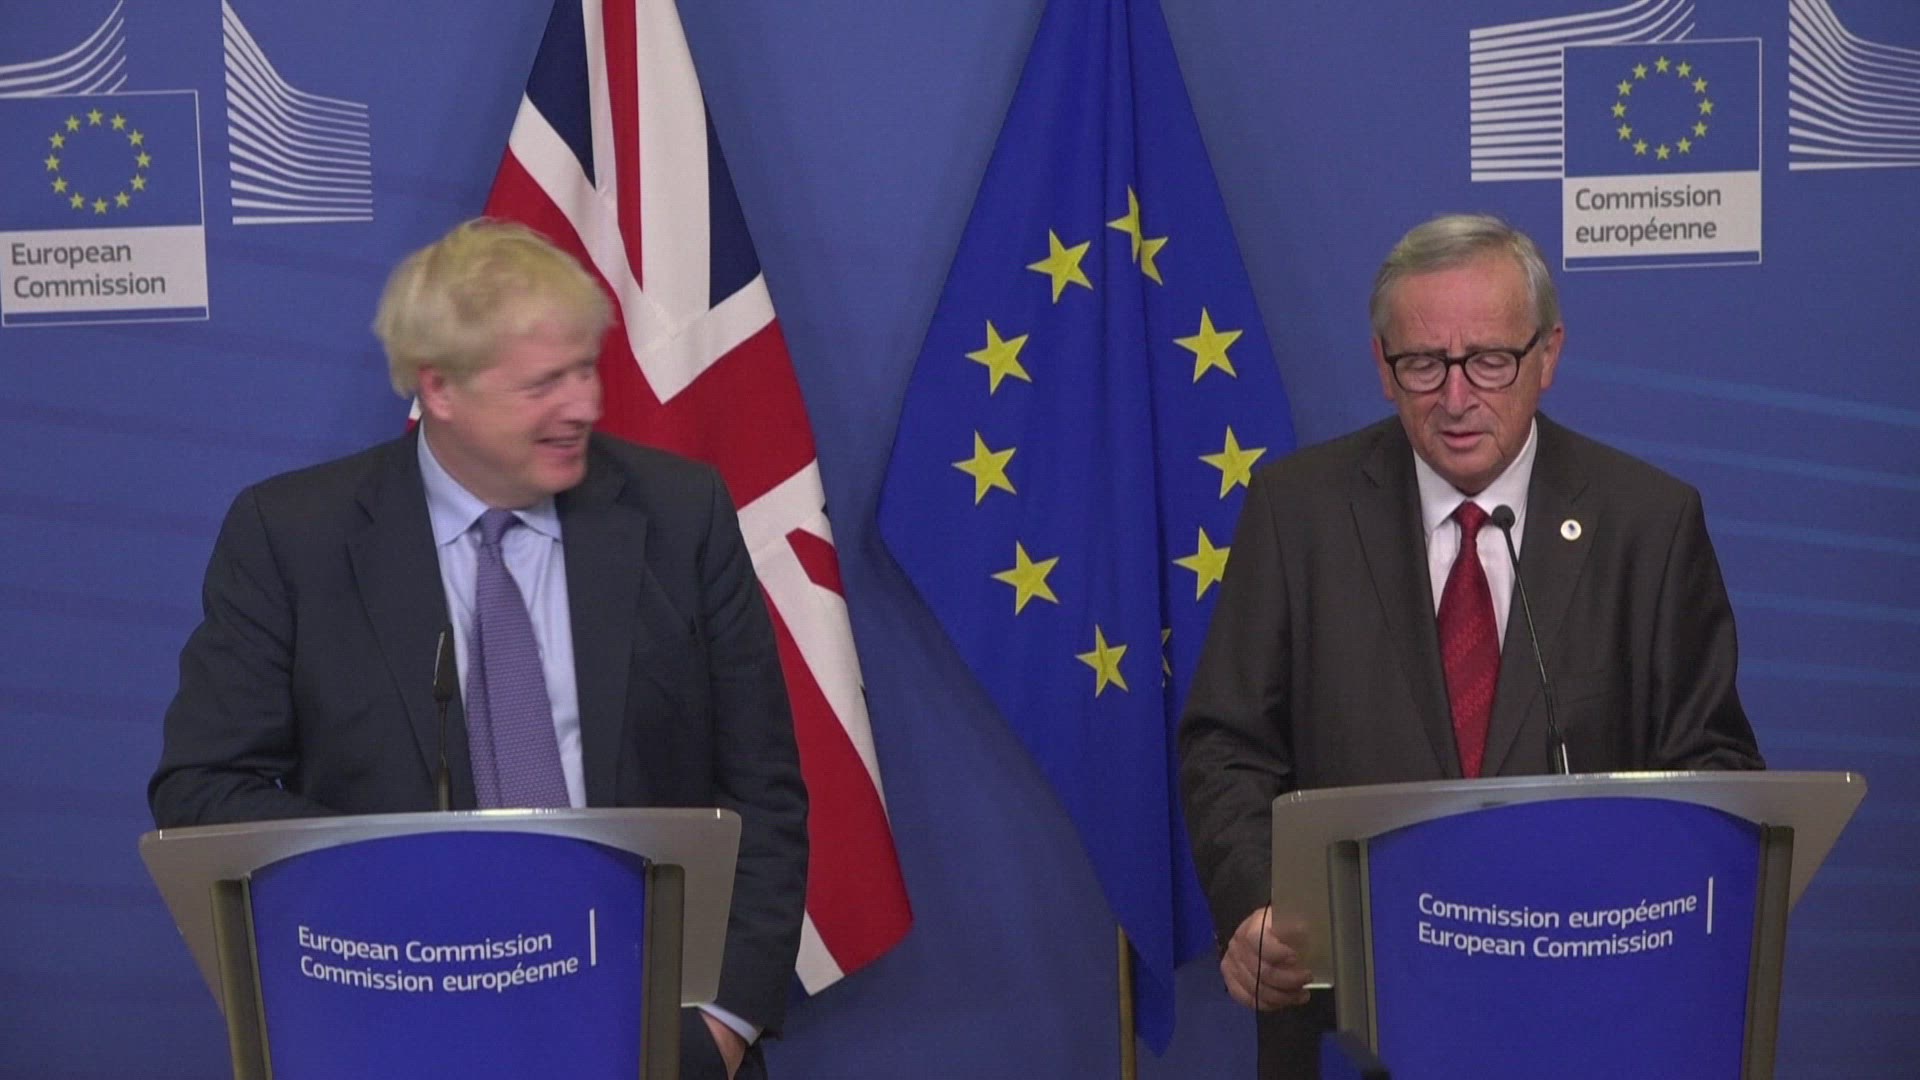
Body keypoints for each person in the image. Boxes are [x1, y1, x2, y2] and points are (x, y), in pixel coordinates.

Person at [149, 218, 807, 1080]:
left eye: (585, 370)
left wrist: (722, 1023)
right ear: (441, 387)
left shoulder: (681, 515)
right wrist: (411, 885)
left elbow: (763, 787)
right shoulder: (292, 537)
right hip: (392, 1015)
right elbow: (203, 790)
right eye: (543, 384)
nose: (583, 406)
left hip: (647, 1019)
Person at [1177, 213, 1763, 1078]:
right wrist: (1257, 907)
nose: (1456, 398)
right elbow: (1227, 744)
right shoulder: (1296, 512)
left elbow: (1711, 766)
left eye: (1490, 360)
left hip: (1587, 1011)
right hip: (1356, 1018)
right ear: (1383, 367)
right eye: (1424, 363)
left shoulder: (1648, 523)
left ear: (1547, 355)